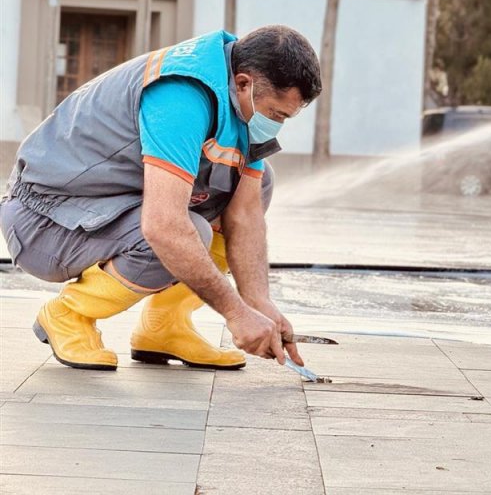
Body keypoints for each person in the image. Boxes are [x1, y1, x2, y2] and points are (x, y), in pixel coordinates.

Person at [0, 25, 321, 371]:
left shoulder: (240, 100)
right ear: (244, 83)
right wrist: (235, 313)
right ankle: (69, 314)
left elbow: (243, 215)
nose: (277, 125)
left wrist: (259, 303)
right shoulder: (181, 96)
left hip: (103, 207)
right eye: (276, 114)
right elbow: (164, 226)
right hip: (43, 219)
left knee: (260, 183)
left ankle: (165, 327)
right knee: (183, 232)